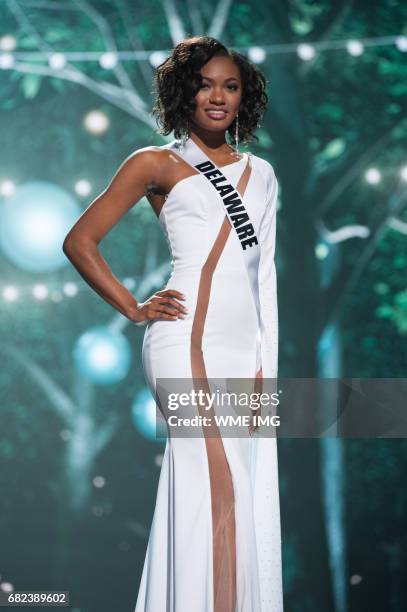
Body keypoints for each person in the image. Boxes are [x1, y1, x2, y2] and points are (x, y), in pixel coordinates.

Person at [63, 35, 283, 612]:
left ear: (245, 98)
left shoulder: (263, 175)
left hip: (244, 352)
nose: (217, 96)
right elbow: (80, 240)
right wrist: (134, 308)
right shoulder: (155, 163)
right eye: (205, 84)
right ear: (183, 92)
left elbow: (263, 282)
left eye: (230, 86)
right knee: (220, 486)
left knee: (233, 495)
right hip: (184, 342)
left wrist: (266, 362)